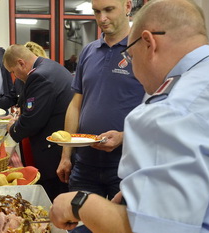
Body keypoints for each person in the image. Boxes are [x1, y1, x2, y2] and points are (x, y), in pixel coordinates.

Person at [50, 0, 209, 232]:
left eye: (131, 56)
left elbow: (156, 228)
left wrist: (78, 203)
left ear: (149, 43)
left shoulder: (168, 111)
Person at [56, 0, 145, 204]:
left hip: (126, 166)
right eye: (96, 11)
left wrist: (124, 136)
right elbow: (75, 105)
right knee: (80, 225)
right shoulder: (88, 52)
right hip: (85, 165)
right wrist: (66, 155)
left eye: (109, 10)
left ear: (128, 7)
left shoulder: (142, 49)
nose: (102, 18)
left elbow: (156, 108)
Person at [2, 44, 74, 201]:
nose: (15, 76)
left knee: (53, 200)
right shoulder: (50, 65)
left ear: (21, 63)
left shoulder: (39, 76)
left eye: (13, 71)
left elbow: (32, 121)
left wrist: (13, 129)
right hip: (60, 145)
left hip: (53, 152)